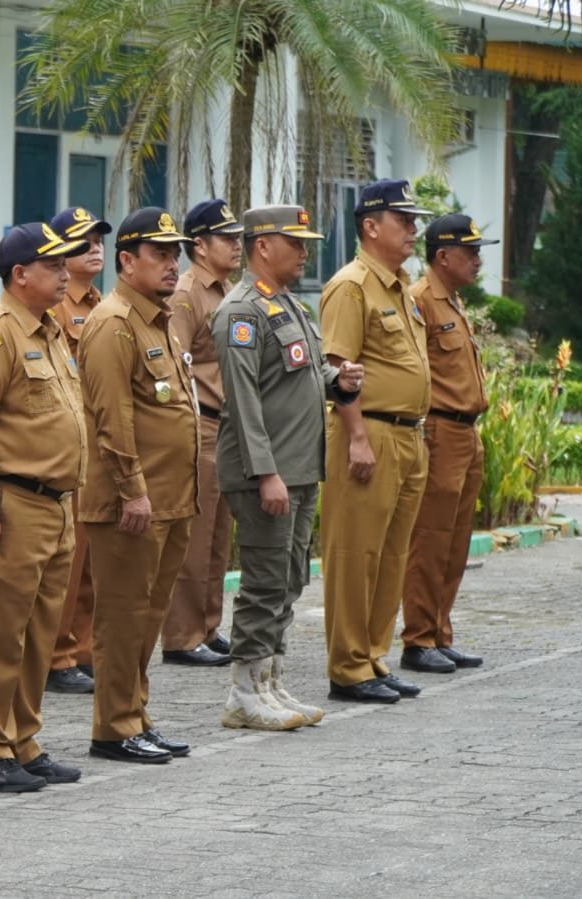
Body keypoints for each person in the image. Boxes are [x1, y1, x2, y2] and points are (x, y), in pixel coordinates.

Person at [212, 205, 363, 730]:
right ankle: (244, 691)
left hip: (300, 468)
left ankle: (270, 682)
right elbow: (245, 401)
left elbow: (299, 375)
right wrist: (265, 473)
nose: (305, 251)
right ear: (262, 246)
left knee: (289, 578)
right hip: (267, 472)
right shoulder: (241, 312)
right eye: (294, 242)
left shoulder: (289, 306)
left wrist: (337, 381)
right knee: (263, 582)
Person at [0, 222, 89, 792]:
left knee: (38, 632)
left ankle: (22, 738)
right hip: (13, 500)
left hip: (56, 504)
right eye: (54, 267)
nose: (66, 275)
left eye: (66, 266)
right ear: (20, 274)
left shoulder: (51, 331)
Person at [78, 207, 198, 765]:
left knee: (147, 615)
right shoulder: (112, 322)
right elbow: (112, 417)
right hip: (134, 502)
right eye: (160, 254)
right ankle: (114, 726)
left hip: (169, 499)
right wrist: (132, 489)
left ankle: (137, 715)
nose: (172, 264)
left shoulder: (160, 319)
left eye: (175, 254)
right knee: (123, 617)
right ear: (127, 261)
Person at [319, 179, 433, 704]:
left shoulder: (400, 288)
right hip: (370, 435)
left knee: (391, 555)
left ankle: (373, 656)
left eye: (413, 222)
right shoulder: (351, 286)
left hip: (408, 437)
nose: (413, 230)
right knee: (355, 553)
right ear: (371, 226)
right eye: (403, 220)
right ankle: (347, 666)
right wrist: (358, 437)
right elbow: (336, 368)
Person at [399, 214, 495, 674]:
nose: (478, 260)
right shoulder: (421, 301)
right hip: (439, 430)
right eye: (471, 252)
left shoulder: (452, 301)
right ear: (443, 256)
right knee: (431, 539)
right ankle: (417, 639)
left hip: (466, 433)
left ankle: (439, 631)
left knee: (456, 541)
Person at [161, 199, 242, 668]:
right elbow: (175, 364)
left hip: (228, 427)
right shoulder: (187, 294)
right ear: (199, 245)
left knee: (217, 536)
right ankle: (182, 635)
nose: (236, 246)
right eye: (226, 239)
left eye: (236, 238)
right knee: (196, 536)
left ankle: (209, 626)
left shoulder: (227, 292)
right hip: (202, 423)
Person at [45, 206, 109, 696]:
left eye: (98, 240)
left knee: (89, 561)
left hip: (99, 447)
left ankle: (82, 649)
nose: (95, 247)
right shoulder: (53, 305)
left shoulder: (99, 301)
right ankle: (57, 653)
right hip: (68, 445)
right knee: (68, 560)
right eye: (82, 241)